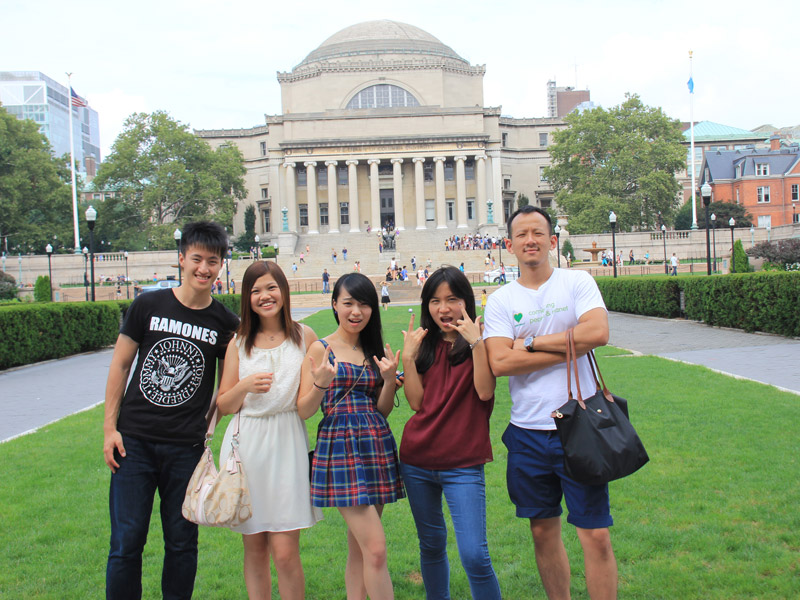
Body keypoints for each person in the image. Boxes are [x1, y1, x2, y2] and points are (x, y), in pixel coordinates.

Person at [483, 206, 616, 600]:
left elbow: (599, 331)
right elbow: (501, 362)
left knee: (595, 534)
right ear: (509, 246)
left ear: (552, 241)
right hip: (527, 432)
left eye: (538, 233)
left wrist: (533, 342)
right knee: (542, 532)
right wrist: (572, 345)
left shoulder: (578, 282)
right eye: (521, 234)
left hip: (580, 427)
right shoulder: (502, 301)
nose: (530, 240)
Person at [103, 221, 239, 600]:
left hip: (186, 449)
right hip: (135, 443)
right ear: (181, 259)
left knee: (181, 544)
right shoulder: (148, 304)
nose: (204, 268)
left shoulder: (225, 324)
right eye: (196, 259)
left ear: (221, 265)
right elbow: (120, 365)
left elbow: (230, 385)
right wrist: (109, 429)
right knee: (126, 542)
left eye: (213, 261)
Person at [216, 261, 322, 599]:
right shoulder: (239, 343)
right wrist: (245, 384)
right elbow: (224, 404)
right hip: (248, 445)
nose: (265, 296)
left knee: (286, 551)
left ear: (283, 290)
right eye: (256, 290)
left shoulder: (304, 336)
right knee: (255, 548)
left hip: (287, 442)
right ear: (247, 298)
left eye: (271, 287)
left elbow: (307, 406)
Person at [297, 273, 404, 600]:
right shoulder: (321, 347)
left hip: (375, 445)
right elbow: (303, 410)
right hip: (340, 450)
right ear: (334, 305)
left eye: (364, 304)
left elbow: (382, 410)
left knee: (361, 550)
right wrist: (321, 384)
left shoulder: (373, 349)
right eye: (348, 303)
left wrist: (387, 381)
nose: (356, 311)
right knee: (376, 549)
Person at [399, 267, 501, 599]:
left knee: (474, 554)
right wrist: (409, 360)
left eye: (452, 299)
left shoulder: (480, 343)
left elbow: (485, 393)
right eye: (435, 301)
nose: (443, 309)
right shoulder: (425, 347)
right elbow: (415, 403)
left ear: (465, 302)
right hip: (417, 461)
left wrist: (476, 344)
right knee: (431, 545)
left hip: (463, 464)